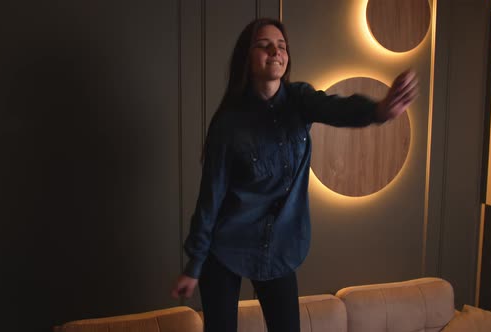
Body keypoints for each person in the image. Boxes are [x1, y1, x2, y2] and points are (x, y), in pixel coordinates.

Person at [170, 17, 418, 332]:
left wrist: (380, 110)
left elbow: (336, 108)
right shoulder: (228, 124)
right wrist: (194, 265)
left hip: (279, 246)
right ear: (247, 57)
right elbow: (211, 198)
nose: (275, 51)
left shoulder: (300, 100)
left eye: (282, 46)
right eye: (264, 45)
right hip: (225, 247)